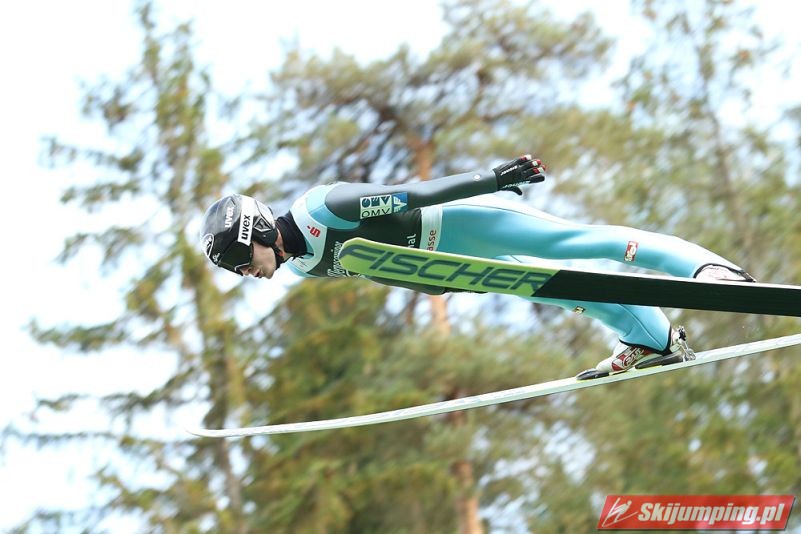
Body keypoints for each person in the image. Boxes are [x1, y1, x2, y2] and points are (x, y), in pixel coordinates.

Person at [200, 155, 755, 380]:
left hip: (465, 221)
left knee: (577, 243)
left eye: (242, 263)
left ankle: (706, 267)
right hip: (452, 260)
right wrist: (439, 284)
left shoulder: (324, 208)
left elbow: (413, 194)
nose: (248, 275)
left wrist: (493, 178)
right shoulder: (303, 267)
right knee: (562, 289)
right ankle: (653, 338)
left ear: (258, 232)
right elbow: (379, 267)